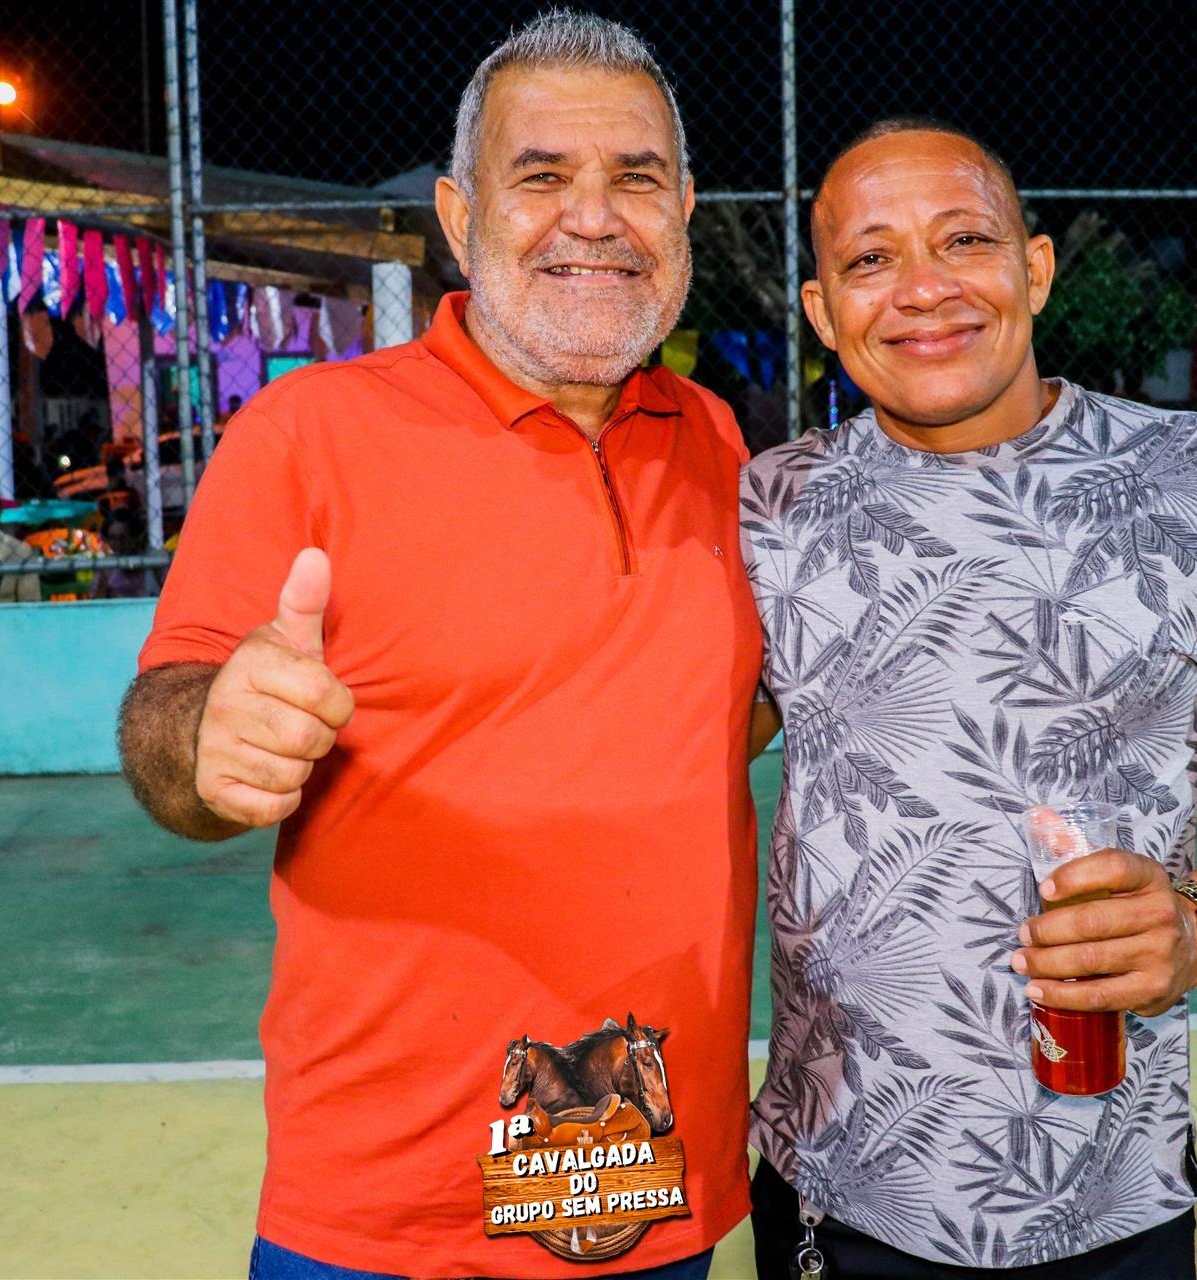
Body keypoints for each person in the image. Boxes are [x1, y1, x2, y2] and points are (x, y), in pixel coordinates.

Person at [118, 13, 757, 1278]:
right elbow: (171, 725)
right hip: (387, 1217)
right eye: (541, 175)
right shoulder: (307, 434)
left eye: (635, 178)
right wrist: (212, 735)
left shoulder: (720, 441)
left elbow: (726, 711)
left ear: (683, 210)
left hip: (650, 1180)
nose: (593, 218)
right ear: (461, 217)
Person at [739, 119, 1197, 1279]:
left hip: (1115, 1190)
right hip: (839, 1190)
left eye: (964, 240)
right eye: (871, 258)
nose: (924, 288)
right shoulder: (768, 510)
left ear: (1034, 269)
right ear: (824, 310)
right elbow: (653, 744)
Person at [91, 511, 160, 599]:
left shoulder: (154, 559)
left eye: (123, 537)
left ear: (134, 536)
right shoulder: (107, 565)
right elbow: (98, 600)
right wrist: (103, 579)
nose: (118, 543)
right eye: (112, 538)